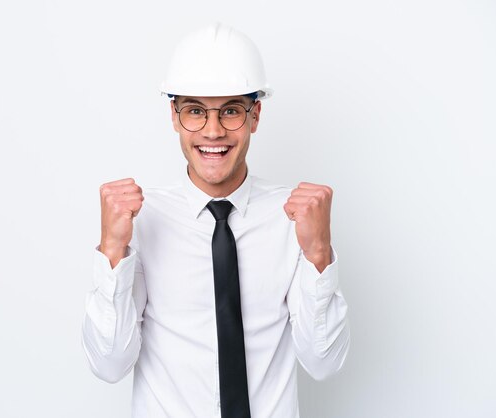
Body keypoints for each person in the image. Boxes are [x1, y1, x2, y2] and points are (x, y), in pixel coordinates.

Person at [82, 23, 350, 418]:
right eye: (194, 110)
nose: (213, 131)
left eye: (231, 111)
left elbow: (323, 363)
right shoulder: (140, 218)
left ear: (255, 115)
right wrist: (112, 251)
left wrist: (318, 253)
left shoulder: (293, 219)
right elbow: (109, 365)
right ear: (174, 116)